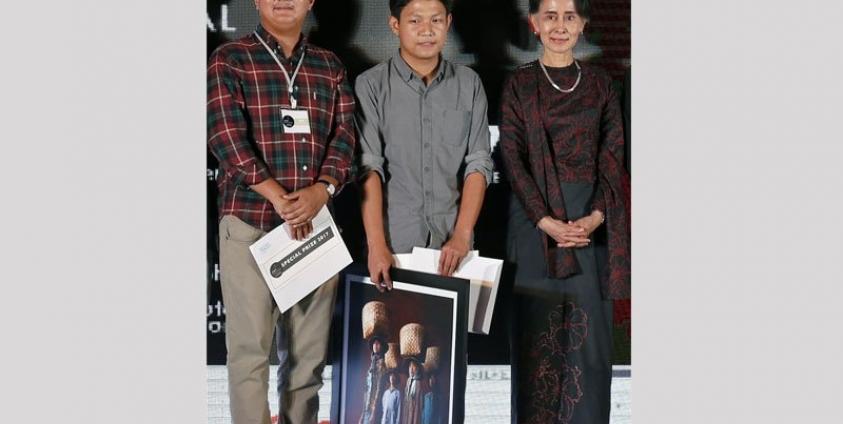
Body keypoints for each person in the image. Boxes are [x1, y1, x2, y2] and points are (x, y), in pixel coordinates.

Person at [206, 0, 356, 422]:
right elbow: (224, 135)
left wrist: (321, 191)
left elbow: (346, 137)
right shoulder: (230, 58)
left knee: (308, 361)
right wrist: (279, 196)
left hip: (313, 229)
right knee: (250, 356)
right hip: (250, 222)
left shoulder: (330, 65)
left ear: (311, 1)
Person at [498, 0, 630, 423]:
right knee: (537, 347)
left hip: (592, 230)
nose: (559, 25)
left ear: (583, 24)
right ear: (534, 24)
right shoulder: (518, 85)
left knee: (588, 354)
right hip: (534, 228)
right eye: (550, 16)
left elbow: (613, 157)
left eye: (569, 16)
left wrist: (593, 217)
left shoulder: (602, 86)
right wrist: (546, 220)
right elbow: (513, 161)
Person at [355, 0, 494, 290]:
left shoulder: (469, 84)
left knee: (453, 334)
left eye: (436, 20)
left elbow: (479, 163)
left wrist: (462, 235)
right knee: (393, 333)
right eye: (415, 21)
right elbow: (369, 168)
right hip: (394, 246)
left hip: (455, 248)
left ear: (448, 23)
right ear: (395, 25)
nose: (427, 31)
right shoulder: (371, 85)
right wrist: (377, 245)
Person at [361, 337, 388, 424]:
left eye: (378, 343)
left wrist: (374, 411)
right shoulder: (372, 364)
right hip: (367, 406)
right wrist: (362, 414)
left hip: (375, 406)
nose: (375, 345)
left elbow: (379, 389)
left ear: (381, 347)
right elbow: (367, 388)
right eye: (374, 343)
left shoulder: (382, 364)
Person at [401, 359, 426, 424]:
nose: (411, 369)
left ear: (417, 368)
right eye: (410, 367)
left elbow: (420, 402)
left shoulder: (419, 383)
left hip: (415, 410)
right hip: (407, 408)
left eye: (413, 366)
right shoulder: (408, 381)